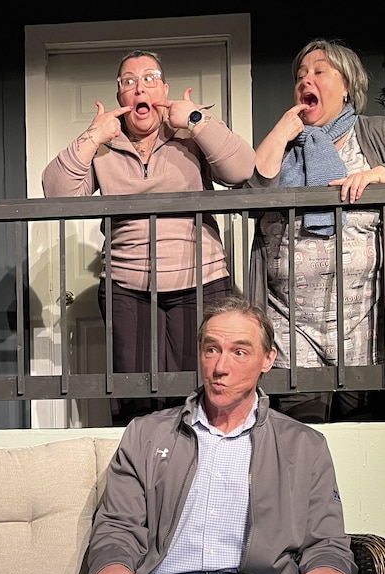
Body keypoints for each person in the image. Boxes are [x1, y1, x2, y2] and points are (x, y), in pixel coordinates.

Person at [76, 294, 372, 574]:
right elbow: (118, 524)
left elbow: (325, 538)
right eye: (211, 349)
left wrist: (329, 568)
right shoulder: (146, 434)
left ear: (268, 359)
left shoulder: (304, 444)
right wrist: (112, 564)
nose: (220, 367)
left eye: (240, 352)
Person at [248, 38, 385, 423]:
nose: (305, 80)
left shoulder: (377, 134)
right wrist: (280, 133)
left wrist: (383, 173)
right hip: (290, 329)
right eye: (300, 75)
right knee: (299, 442)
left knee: (365, 443)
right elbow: (251, 191)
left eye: (318, 72)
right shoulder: (284, 146)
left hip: (363, 329)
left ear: (346, 85)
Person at [42, 49, 256, 426]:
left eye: (149, 79)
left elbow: (241, 170)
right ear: (120, 97)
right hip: (128, 289)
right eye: (129, 81)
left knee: (203, 392)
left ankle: (199, 460)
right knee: (137, 400)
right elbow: (57, 193)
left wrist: (196, 120)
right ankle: (145, 461)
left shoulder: (191, 134)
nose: (140, 88)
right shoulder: (104, 147)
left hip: (201, 282)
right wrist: (93, 136)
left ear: (164, 90)